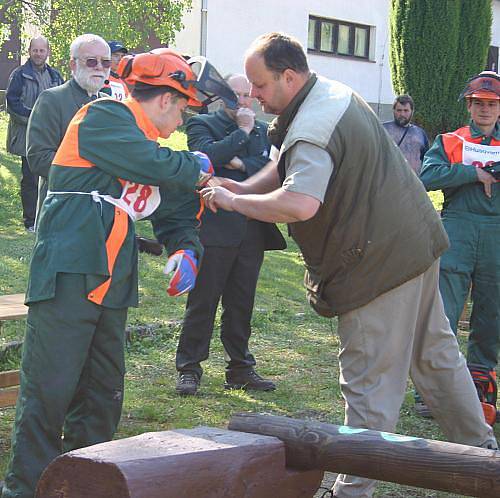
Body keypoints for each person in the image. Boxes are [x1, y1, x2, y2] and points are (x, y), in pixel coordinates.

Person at [201, 33, 498, 498]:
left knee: (368, 381)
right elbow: (283, 168)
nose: (253, 95)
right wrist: (239, 190)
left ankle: (351, 491)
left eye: (259, 85)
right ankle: (485, 457)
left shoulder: (312, 124)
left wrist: (236, 206)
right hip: (416, 244)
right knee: (437, 358)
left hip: (375, 263)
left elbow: (300, 201)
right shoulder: (331, 95)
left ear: (289, 76)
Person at [0, 47, 222, 498]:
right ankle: (25, 489)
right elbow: (160, 169)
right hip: (69, 270)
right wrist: (195, 166)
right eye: (181, 108)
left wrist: (187, 249)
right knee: (49, 391)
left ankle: (85, 485)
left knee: (102, 395)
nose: (182, 121)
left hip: (112, 280)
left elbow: (178, 207)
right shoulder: (102, 115)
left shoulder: (148, 146)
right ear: (164, 99)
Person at [175, 74, 286, 395]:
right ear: (224, 97)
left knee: (242, 303)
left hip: (253, 226)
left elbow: (269, 171)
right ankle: (189, 368)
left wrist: (237, 162)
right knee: (203, 300)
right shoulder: (201, 125)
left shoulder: (266, 131)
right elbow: (205, 162)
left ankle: (240, 368)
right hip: (215, 225)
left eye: (246, 95)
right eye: (235, 95)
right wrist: (243, 133)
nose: (242, 101)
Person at [420, 71, 500, 426]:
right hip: (458, 227)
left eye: (492, 104)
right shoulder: (451, 140)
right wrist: (473, 173)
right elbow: (427, 176)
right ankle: (435, 390)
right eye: (479, 103)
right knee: (445, 312)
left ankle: (481, 385)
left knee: (491, 312)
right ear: (469, 105)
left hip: (497, 233)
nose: (485, 110)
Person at [27, 33, 110, 221]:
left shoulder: (109, 105)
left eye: (105, 62)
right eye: (91, 61)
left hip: (101, 214)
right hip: (61, 211)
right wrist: (94, 174)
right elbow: (39, 158)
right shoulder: (51, 99)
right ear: (73, 65)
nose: (99, 67)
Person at [5, 36, 64, 232]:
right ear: (29, 51)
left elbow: (61, 104)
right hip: (26, 138)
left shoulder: (55, 76)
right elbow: (12, 105)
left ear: (48, 52)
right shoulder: (19, 74)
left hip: (51, 138)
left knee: (51, 178)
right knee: (29, 180)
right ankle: (30, 221)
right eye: (35, 50)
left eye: (42, 50)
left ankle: (47, 218)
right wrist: (36, 120)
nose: (38, 54)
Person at [383, 94, 429, 174]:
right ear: (393, 110)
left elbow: (426, 160)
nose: (402, 114)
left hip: (414, 183)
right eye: (399, 110)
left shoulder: (420, 134)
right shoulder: (383, 130)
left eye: (406, 110)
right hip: (388, 182)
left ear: (412, 111)